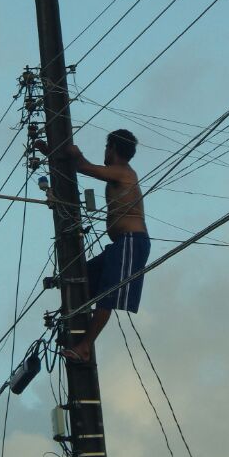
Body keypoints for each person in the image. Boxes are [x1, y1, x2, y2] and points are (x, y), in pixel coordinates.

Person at [64, 129, 150, 362]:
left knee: (107, 295)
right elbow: (79, 167)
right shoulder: (119, 172)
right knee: (82, 278)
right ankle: (77, 330)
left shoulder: (124, 172)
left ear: (112, 147)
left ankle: (84, 347)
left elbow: (84, 167)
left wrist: (75, 152)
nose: (105, 151)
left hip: (132, 241)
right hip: (121, 243)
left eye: (106, 147)